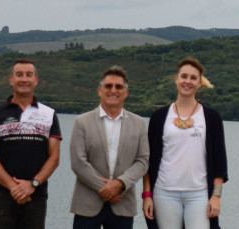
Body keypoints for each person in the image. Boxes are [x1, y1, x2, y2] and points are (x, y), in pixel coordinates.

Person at [142, 57, 228, 229]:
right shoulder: (159, 117)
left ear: (199, 83)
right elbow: (147, 160)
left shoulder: (211, 117)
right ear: (176, 79)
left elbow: (219, 161)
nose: (187, 81)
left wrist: (216, 196)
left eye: (193, 78)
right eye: (184, 76)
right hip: (164, 193)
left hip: (199, 193)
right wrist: (147, 195)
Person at [0, 58, 62, 229]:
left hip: (35, 197)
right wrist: (13, 186)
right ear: (11, 80)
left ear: (36, 80)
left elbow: (54, 158)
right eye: (19, 75)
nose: (24, 79)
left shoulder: (49, 115)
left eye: (29, 75)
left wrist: (32, 184)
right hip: (1, 196)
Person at [69, 66, 151, 229]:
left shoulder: (139, 124)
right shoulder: (82, 122)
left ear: (126, 92)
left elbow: (143, 161)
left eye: (119, 87)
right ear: (100, 90)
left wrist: (120, 184)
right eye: (108, 86)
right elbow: (78, 162)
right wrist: (106, 189)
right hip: (87, 204)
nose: (113, 90)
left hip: (123, 204)